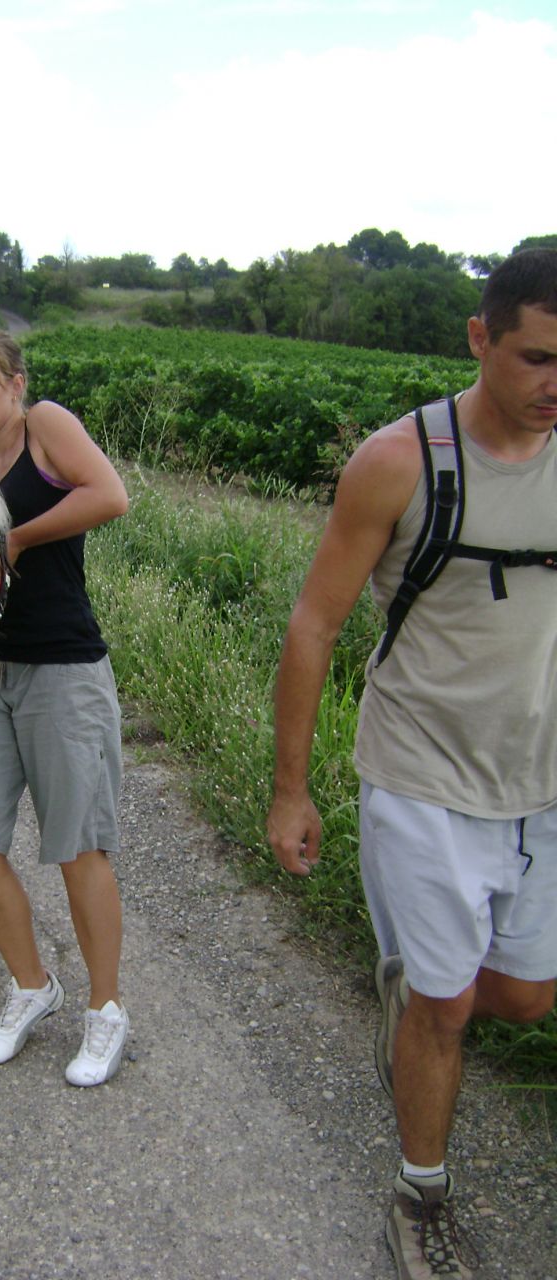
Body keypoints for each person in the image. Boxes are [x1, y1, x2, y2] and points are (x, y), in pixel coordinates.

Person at [267, 248, 557, 1280]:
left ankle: (419, 995)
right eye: (538, 357)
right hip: (420, 776)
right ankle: (419, 1198)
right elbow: (314, 624)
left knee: (523, 997)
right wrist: (291, 788)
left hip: (541, 783)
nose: (556, 383)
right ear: (480, 338)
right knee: (444, 1007)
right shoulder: (400, 461)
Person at [0, 326, 131, 1087]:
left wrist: (14, 539)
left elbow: (109, 496)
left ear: (16, 384)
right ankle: (31, 985)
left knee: (78, 848)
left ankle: (105, 1008)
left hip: (62, 669)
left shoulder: (45, 426)